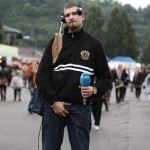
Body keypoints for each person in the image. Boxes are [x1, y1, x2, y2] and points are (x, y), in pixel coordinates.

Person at [36, 3, 112, 150]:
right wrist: (53, 102)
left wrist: (94, 89)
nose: (70, 17)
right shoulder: (55, 43)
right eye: (67, 15)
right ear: (63, 19)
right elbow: (41, 76)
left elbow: (106, 79)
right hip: (53, 107)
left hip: (81, 108)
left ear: (82, 16)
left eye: (74, 14)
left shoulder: (94, 44)